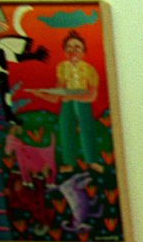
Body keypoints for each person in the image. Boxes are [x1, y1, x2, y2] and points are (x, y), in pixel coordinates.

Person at [29, 31, 102, 173]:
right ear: (64, 50)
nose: (73, 51)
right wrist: (39, 93)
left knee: (87, 130)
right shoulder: (62, 67)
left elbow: (92, 95)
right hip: (66, 102)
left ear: (84, 51)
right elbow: (57, 95)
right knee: (66, 129)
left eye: (77, 47)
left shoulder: (90, 70)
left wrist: (74, 97)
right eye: (69, 47)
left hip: (82, 101)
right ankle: (69, 163)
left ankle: (92, 161)